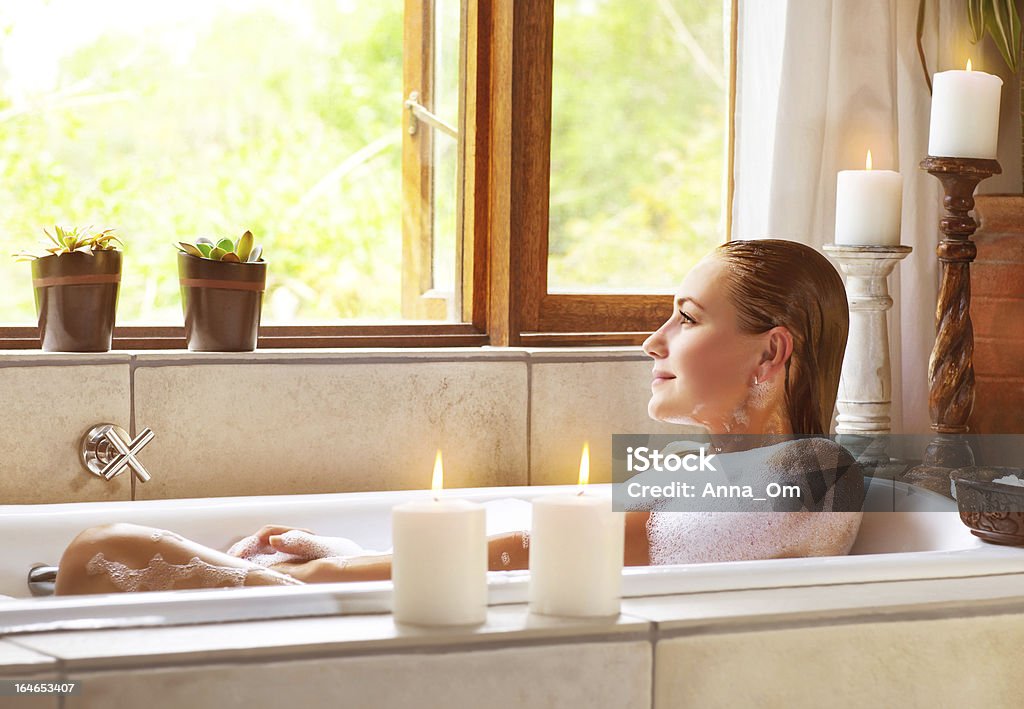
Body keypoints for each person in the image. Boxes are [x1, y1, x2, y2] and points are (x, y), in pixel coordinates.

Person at [54, 238, 862, 596]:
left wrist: (322, 575)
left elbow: (542, 555)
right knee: (96, 556)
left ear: (769, 353)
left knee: (100, 549)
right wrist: (345, 551)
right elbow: (547, 551)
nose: (654, 337)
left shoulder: (812, 472)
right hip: (457, 603)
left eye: (686, 317)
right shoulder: (744, 472)